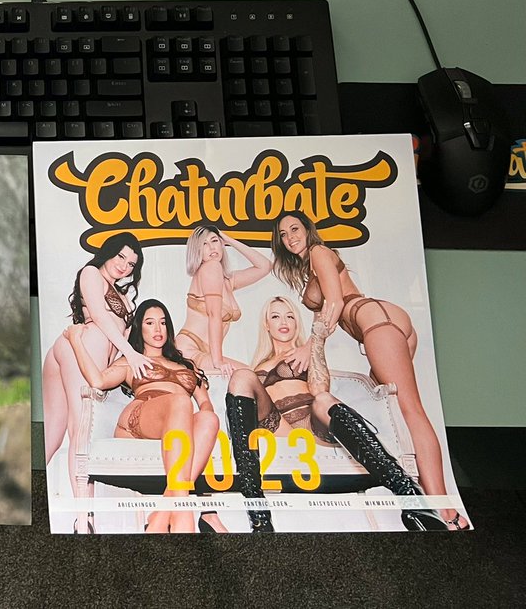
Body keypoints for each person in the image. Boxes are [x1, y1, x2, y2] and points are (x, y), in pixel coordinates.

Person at [270, 210, 468, 531]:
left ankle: (443, 509)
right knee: (395, 411)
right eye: (283, 234)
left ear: (307, 230)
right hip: (379, 321)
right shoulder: (310, 266)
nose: (290, 237)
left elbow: (335, 303)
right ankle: (425, 497)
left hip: (374, 320)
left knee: (411, 409)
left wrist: (309, 345)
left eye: (295, 229)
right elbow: (325, 309)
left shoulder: (319, 251)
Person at [225, 294, 450, 532]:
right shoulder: (256, 366)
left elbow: (320, 389)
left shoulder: (305, 352)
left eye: (290, 316)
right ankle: (258, 515)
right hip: (281, 429)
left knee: (323, 399)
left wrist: (315, 345)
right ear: (266, 324)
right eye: (276, 316)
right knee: (241, 377)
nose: (284, 322)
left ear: (297, 323)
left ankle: (410, 495)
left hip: (314, 426)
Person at [65, 299, 222, 534]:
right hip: (143, 417)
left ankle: (161, 516)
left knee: (209, 419)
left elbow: (205, 403)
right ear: (140, 328)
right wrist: (75, 340)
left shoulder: (186, 366)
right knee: (181, 401)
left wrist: (206, 417)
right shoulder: (131, 360)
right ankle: (183, 515)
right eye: (150, 323)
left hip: (177, 421)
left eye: (162, 323)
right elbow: (97, 381)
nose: (158, 329)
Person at [41, 232, 150, 534]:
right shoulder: (91, 273)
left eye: (131, 264)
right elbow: (100, 317)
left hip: (91, 357)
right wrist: (130, 353)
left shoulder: (125, 297)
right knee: (78, 432)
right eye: (121, 256)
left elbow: (121, 340)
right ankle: (83, 519)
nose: (124, 266)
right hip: (81, 347)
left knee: (57, 435)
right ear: (109, 252)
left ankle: (81, 516)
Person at [177, 225, 272, 374]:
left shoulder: (227, 281)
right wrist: (218, 361)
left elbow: (265, 266)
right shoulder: (211, 267)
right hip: (189, 350)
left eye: (215, 241)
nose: (211, 247)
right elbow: (214, 314)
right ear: (197, 250)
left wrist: (228, 240)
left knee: (253, 375)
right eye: (204, 244)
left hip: (203, 352)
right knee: (249, 375)